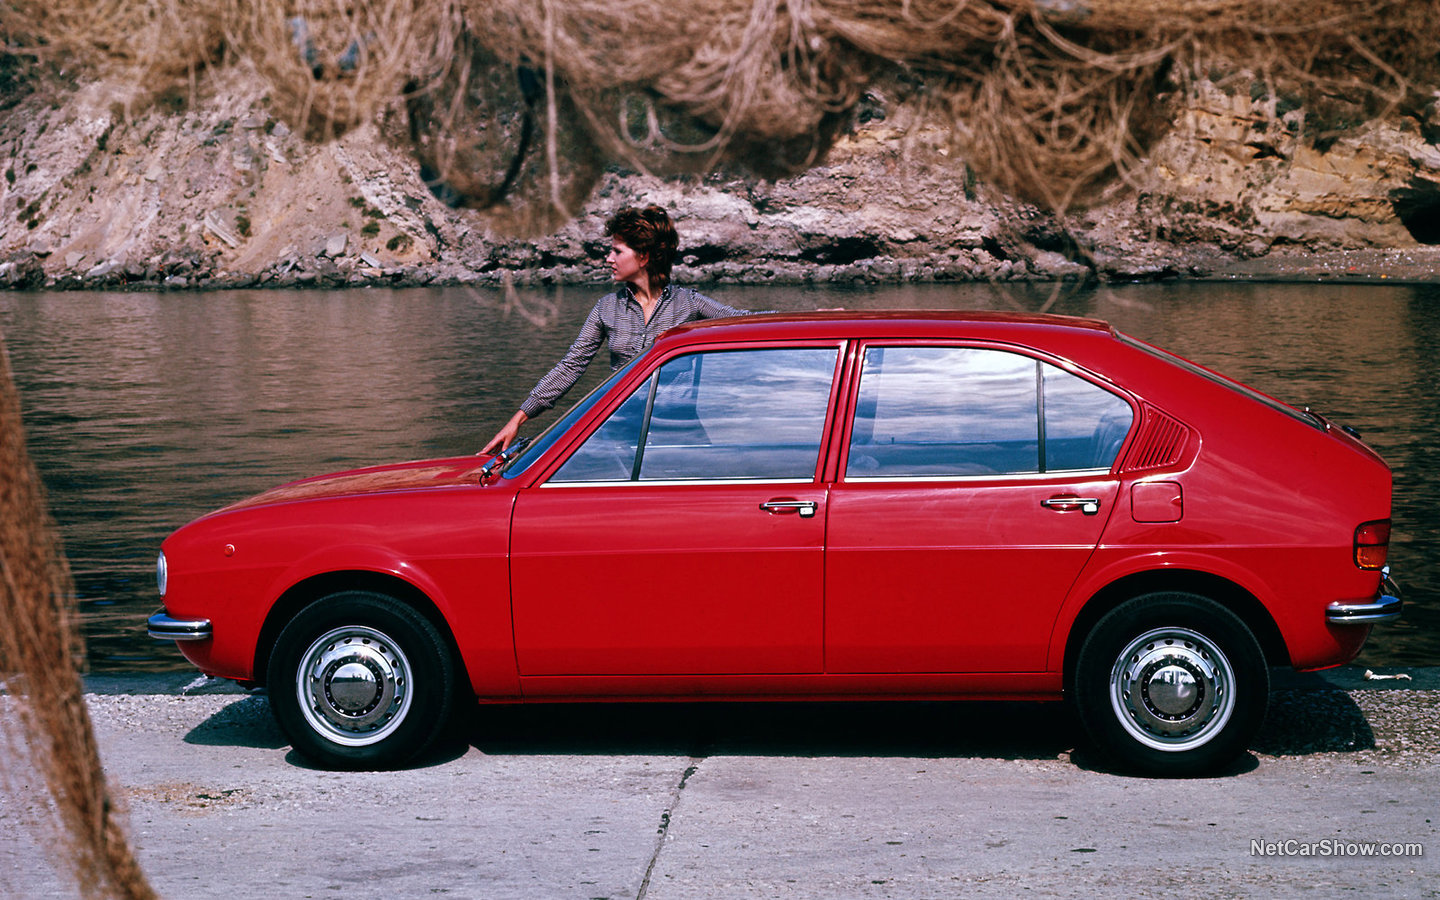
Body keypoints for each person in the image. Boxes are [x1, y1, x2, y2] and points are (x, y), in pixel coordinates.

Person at [481, 205, 757, 454]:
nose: (608, 258)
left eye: (617, 251)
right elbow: (571, 366)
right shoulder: (606, 308)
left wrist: (800, 320)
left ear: (643, 256)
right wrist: (518, 419)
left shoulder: (689, 303)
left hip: (680, 434)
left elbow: (747, 322)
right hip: (623, 434)